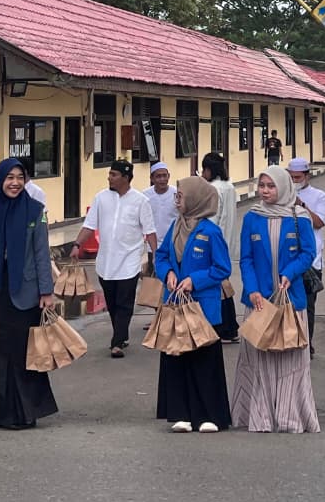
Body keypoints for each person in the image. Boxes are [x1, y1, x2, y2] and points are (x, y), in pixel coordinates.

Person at [0, 158, 58, 431]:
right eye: (10, 177)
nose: (15, 182)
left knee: (22, 351)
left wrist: (46, 291)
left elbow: (42, 253)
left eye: (20, 177)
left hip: (26, 288)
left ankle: (25, 412)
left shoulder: (35, 210)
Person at [231, 166, 319, 433]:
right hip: (259, 301)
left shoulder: (299, 216)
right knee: (259, 357)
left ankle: (290, 418)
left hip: (290, 300)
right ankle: (259, 416)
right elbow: (245, 258)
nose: (265, 191)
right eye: (262, 185)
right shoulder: (252, 217)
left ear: (283, 187)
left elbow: (308, 253)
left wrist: (289, 274)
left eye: (271, 186)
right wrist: (253, 289)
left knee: (291, 359)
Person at [154, 176, 233, 433]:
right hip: (176, 304)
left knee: (204, 359)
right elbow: (162, 255)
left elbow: (222, 268)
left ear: (196, 200)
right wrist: (168, 274)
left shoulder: (210, 232)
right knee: (177, 357)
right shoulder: (177, 227)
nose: (177, 200)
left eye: (181, 196)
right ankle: (181, 413)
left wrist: (194, 280)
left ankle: (209, 415)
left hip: (203, 308)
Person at [70, 159, 155, 357]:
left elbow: (149, 231)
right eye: (110, 174)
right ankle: (122, 334)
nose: (109, 178)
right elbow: (89, 226)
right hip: (106, 262)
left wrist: (155, 256)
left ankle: (116, 343)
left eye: (114, 175)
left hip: (129, 260)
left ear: (126, 178)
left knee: (125, 301)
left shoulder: (141, 201)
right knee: (113, 302)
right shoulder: (101, 198)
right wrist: (76, 245)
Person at [287, 157, 325, 357]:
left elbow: (319, 222)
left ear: (306, 175)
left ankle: (306, 343)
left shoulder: (319, 196)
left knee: (307, 306)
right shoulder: (281, 195)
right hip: (287, 260)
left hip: (311, 261)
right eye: (291, 177)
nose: (295, 181)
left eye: (298, 177)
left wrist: (300, 204)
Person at [201, 151, 241, 344]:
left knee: (218, 288)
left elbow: (212, 218)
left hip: (215, 243)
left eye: (204, 169)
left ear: (209, 169)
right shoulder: (229, 186)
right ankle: (228, 327)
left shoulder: (214, 189)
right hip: (227, 241)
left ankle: (227, 328)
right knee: (222, 285)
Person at [145, 161, 178, 261]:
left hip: (173, 244)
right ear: (152, 178)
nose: (162, 179)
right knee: (153, 274)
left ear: (169, 176)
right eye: (158, 176)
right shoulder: (145, 196)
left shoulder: (177, 193)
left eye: (165, 176)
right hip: (153, 246)